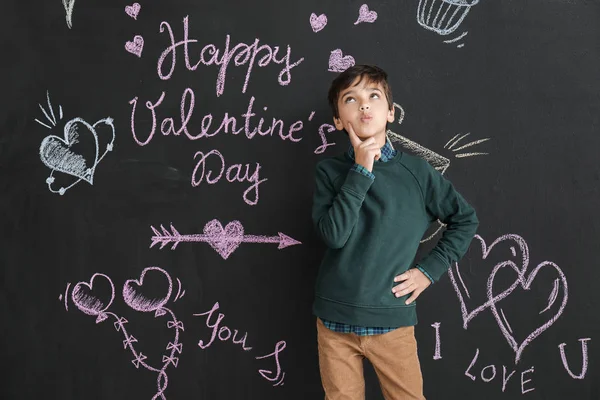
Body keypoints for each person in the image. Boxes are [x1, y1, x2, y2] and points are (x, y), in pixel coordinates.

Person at [311, 64, 479, 400]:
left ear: (390, 113)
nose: (364, 105)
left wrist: (428, 272)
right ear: (338, 121)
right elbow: (335, 236)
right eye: (351, 99)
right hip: (335, 323)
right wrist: (361, 170)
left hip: (392, 320)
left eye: (373, 96)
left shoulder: (417, 173)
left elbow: (465, 219)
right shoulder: (330, 172)